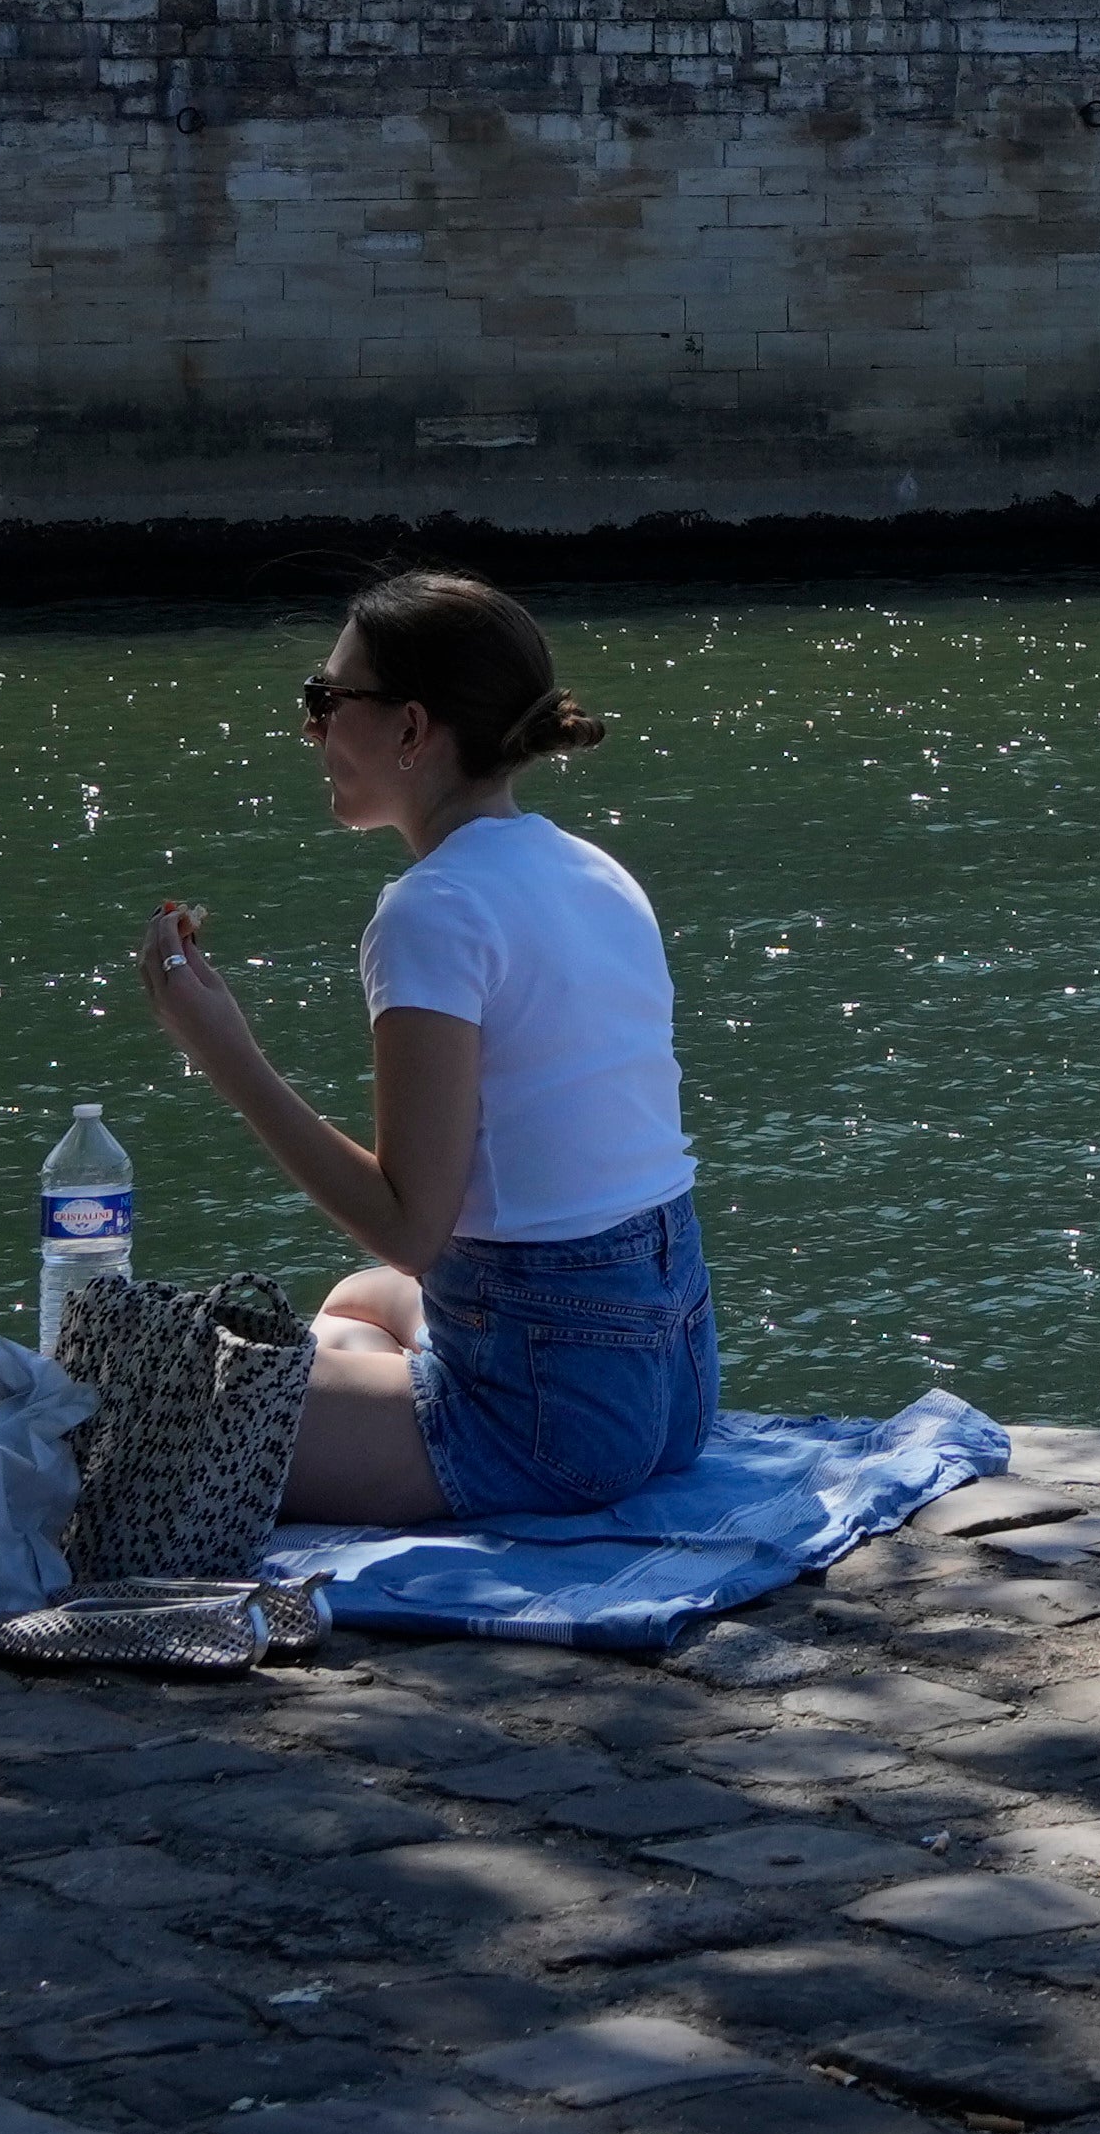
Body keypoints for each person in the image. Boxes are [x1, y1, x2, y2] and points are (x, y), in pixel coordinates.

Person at [132, 571, 715, 1525]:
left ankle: (405, 1425)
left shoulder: (432, 909)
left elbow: (409, 1226)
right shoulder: (593, 868)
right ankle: (376, 1405)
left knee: (146, 1409)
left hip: (546, 1421)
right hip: (673, 1377)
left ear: (409, 728)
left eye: (325, 701)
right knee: (360, 1306)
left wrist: (225, 1055)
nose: (311, 730)